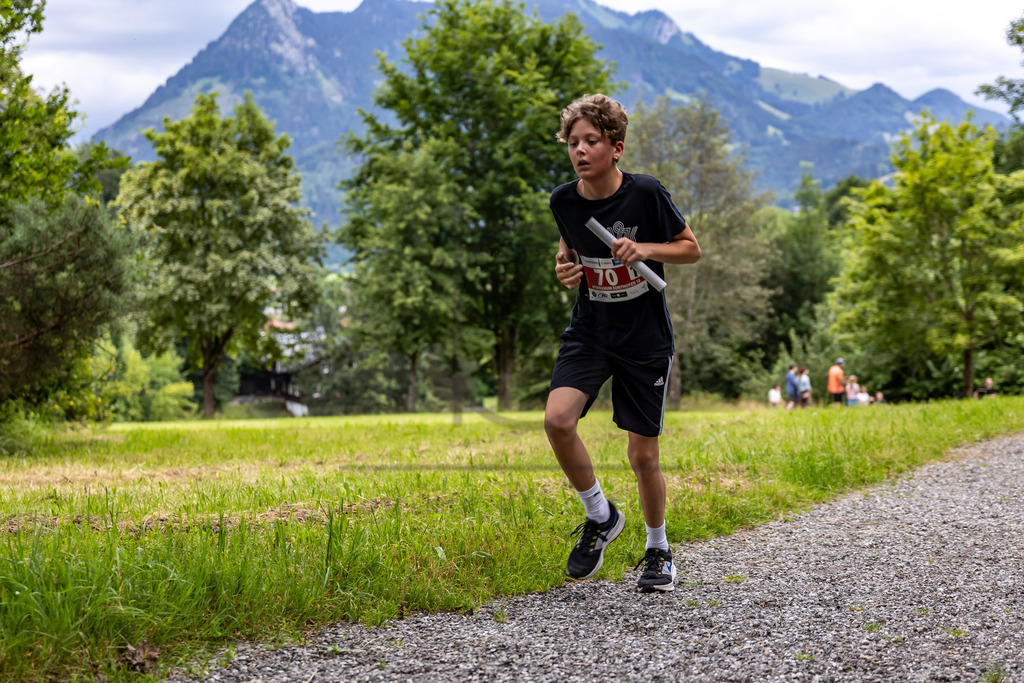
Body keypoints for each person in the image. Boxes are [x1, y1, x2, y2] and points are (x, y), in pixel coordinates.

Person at [545, 93, 701, 594]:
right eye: (573, 142)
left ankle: (658, 548)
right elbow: (568, 252)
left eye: (592, 140)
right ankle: (601, 515)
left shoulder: (647, 194)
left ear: (616, 147)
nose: (580, 150)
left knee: (642, 456)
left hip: (644, 339)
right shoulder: (563, 201)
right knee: (557, 420)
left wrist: (645, 248)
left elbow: (690, 249)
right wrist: (565, 270)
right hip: (591, 331)